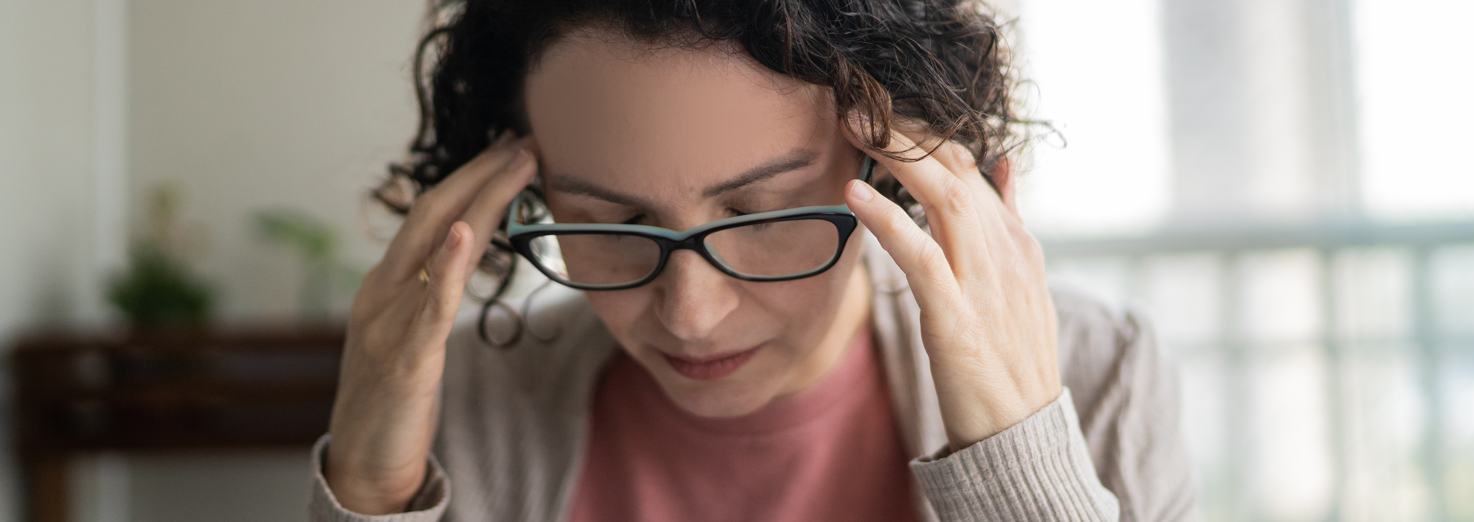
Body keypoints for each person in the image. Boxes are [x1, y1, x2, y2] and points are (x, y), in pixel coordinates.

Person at [311, 1, 1198, 521]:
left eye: (763, 212)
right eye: (611, 218)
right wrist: (371, 492)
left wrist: (1018, 468)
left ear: (895, 177)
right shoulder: (458, 404)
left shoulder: (1097, 376)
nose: (690, 314)